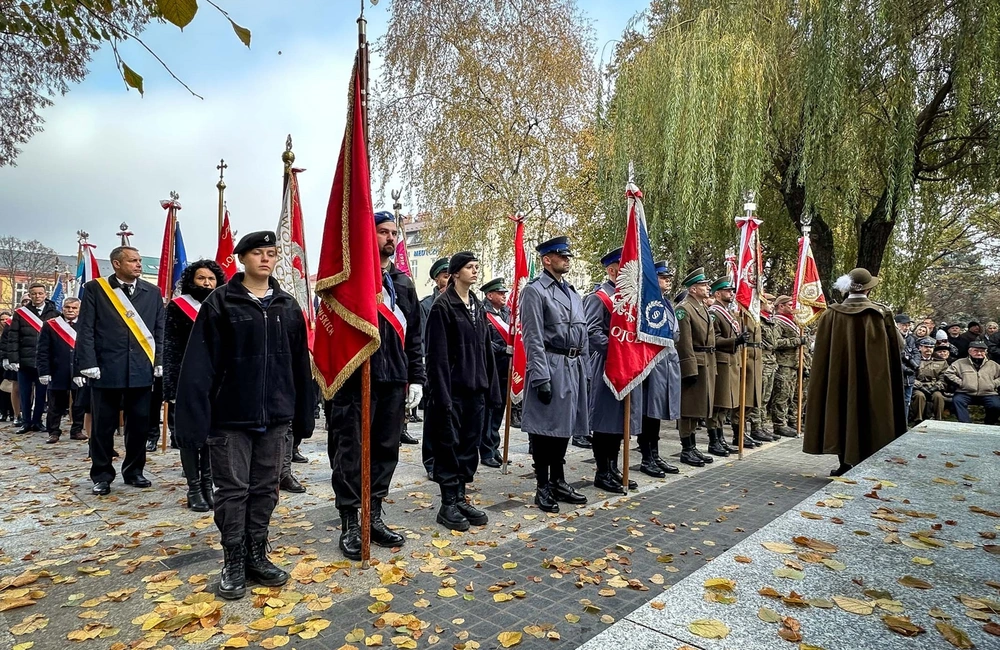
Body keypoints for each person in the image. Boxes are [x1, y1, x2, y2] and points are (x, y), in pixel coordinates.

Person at [175, 231, 314, 600]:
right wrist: (191, 421)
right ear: (242, 258)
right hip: (231, 418)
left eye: (271, 253)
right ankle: (233, 559)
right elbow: (199, 365)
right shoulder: (221, 303)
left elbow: (300, 364)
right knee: (233, 491)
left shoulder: (288, 305)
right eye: (257, 253)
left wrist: (303, 412)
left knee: (266, 489)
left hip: (276, 417)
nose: (265, 259)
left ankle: (257, 552)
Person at [327, 212, 424, 560]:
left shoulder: (403, 284)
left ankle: (374, 514)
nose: (388, 237)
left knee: (385, 451)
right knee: (351, 452)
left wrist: (416, 378)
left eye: (393, 232)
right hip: (355, 380)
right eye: (381, 231)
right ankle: (351, 521)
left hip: (393, 380)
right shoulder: (351, 280)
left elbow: (413, 337)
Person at [77, 246, 164, 494]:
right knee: (103, 426)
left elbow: (159, 329)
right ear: (116, 264)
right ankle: (102, 475)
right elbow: (86, 329)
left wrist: (159, 360)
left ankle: (134, 471)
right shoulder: (96, 289)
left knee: (139, 425)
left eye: (139, 260)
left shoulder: (152, 292)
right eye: (133, 261)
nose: (138, 265)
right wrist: (88, 363)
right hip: (106, 368)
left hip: (140, 368)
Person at [424, 252, 500, 530]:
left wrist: (492, 389)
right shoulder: (443, 307)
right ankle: (447, 504)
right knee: (449, 447)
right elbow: (437, 357)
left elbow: (485, 350)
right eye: (470, 267)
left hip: (476, 390)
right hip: (452, 392)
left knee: (469, 446)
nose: (475, 271)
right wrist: (441, 396)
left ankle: (461, 497)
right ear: (456, 273)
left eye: (477, 266)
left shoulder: (478, 307)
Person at [804, 268, 906, 476]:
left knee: (841, 412)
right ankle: (866, 463)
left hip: (838, 378)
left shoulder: (830, 315)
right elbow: (900, 345)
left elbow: (820, 351)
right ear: (869, 290)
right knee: (871, 412)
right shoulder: (880, 314)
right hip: (873, 378)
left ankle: (844, 464)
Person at [519, 236, 589, 512]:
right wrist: (540, 376)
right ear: (547, 259)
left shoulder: (573, 293)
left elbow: (583, 336)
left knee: (564, 428)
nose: (567, 260)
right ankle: (542, 486)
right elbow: (533, 337)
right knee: (545, 430)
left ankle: (559, 480)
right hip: (549, 363)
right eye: (562, 255)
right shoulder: (535, 291)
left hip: (573, 366)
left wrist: (586, 371)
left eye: (569, 256)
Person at [163, 260, 225, 512]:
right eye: (201, 278)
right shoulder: (178, 307)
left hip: (215, 380)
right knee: (190, 436)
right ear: (191, 280)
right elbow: (170, 347)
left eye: (211, 279)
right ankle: (194, 488)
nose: (207, 283)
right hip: (186, 380)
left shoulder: (222, 303)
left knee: (211, 435)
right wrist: (171, 387)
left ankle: (209, 484)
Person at [585, 247, 643, 493]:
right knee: (605, 421)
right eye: (624, 266)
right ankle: (602, 470)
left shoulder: (630, 297)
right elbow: (592, 332)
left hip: (628, 365)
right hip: (607, 364)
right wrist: (618, 350)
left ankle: (615, 467)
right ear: (612, 270)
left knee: (621, 421)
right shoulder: (598, 297)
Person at [638, 261, 681, 477]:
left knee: (658, 413)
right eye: (663, 277)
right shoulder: (647, 302)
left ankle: (655, 454)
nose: (667, 281)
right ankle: (647, 457)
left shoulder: (666, 303)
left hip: (667, 362)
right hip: (652, 364)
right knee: (649, 412)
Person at [675, 268, 717, 467]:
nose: (708, 287)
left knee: (698, 407)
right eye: (704, 285)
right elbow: (684, 342)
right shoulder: (684, 309)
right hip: (695, 362)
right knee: (688, 408)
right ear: (693, 289)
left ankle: (692, 447)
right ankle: (686, 448)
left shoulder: (700, 307)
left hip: (706, 361)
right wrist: (689, 368)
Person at [9, 283, 59, 434]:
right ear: (29, 295)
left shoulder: (54, 313)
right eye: (34, 294)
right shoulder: (20, 313)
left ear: (45, 295)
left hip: (44, 362)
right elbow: (13, 337)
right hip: (25, 360)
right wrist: (13, 359)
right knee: (25, 393)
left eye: (40, 293)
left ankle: (37, 421)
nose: (37, 296)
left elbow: (56, 339)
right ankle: (26, 422)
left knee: (42, 394)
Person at [36, 297, 87, 443]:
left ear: (79, 309)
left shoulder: (85, 325)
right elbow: (42, 351)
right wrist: (43, 371)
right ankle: (53, 431)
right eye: (67, 307)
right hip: (57, 370)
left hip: (79, 371)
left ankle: (77, 430)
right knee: (55, 404)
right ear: (63, 308)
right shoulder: (50, 325)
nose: (70, 310)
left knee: (79, 403)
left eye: (74, 308)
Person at [706, 277, 746, 457]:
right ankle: (714, 440)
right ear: (717, 293)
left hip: (731, 362)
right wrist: (734, 341)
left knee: (726, 404)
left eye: (732, 291)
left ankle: (720, 438)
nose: (731, 293)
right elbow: (713, 339)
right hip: (721, 362)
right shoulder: (714, 313)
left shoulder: (726, 312)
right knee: (718, 403)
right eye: (728, 291)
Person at [420, 256, 450, 477]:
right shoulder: (426, 306)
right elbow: (421, 341)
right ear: (437, 278)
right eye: (445, 276)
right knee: (432, 419)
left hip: (455, 371)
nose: (448, 280)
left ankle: (447, 459)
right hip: (434, 370)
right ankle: (430, 461)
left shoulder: (462, 303)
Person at [480, 277, 511, 468]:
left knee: (499, 410)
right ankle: (486, 450)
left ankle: (495, 446)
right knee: (490, 410)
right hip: (491, 367)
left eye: (504, 293)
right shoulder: (484, 313)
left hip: (505, 368)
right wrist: (501, 350)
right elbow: (483, 340)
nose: (504, 296)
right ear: (490, 295)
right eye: (500, 293)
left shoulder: (508, 313)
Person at [770, 296, 807, 437]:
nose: (793, 307)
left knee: (792, 394)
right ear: (781, 306)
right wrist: (796, 340)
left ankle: (791, 420)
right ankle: (779, 424)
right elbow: (776, 342)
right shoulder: (777, 322)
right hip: (783, 363)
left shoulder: (793, 322)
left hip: (794, 363)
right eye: (789, 305)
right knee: (782, 394)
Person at [941, 340, 1000, 424]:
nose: (979, 353)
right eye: (976, 350)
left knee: (996, 405)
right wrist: (961, 383)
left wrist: (994, 383)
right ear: (969, 351)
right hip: (965, 392)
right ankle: (966, 423)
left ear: (986, 352)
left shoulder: (993, 364)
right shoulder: (959, 363)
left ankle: (989, 424)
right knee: (957, 401)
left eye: (982, 351)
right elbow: (948, 373)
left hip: (988, 393)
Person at [911, 336, 950, 422]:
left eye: (931, 347)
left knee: (938, 396)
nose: (928, 349)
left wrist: (936, 387)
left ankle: (938, 419)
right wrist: (917, 384)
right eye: (926, 347)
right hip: (918, 386)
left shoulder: (941, 361)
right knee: (919, 396)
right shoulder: (913, 360)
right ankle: (918, 419)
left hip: (934, 386)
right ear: (920, 348)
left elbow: (944, 376)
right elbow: (910, 375)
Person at [895, 314, 921, 419]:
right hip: (897, 376)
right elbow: (892, 358)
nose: (906, 327)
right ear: (896, 325)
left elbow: (917, 353)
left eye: (908, 325)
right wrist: (906, 369)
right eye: (903, 325)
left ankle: (904, 426)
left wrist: (915, 364)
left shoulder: (911, 339)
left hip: (909, 378)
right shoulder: (891, 338)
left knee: (907, 402)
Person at [1, 312, 17, 422]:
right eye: (2, 319)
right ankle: (2, 412)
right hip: (2, 361)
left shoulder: (12, 328)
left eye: (6, 319)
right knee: (2, 390)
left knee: (10, 388)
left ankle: (12, 413)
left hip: (9, 362)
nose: (4, 321)